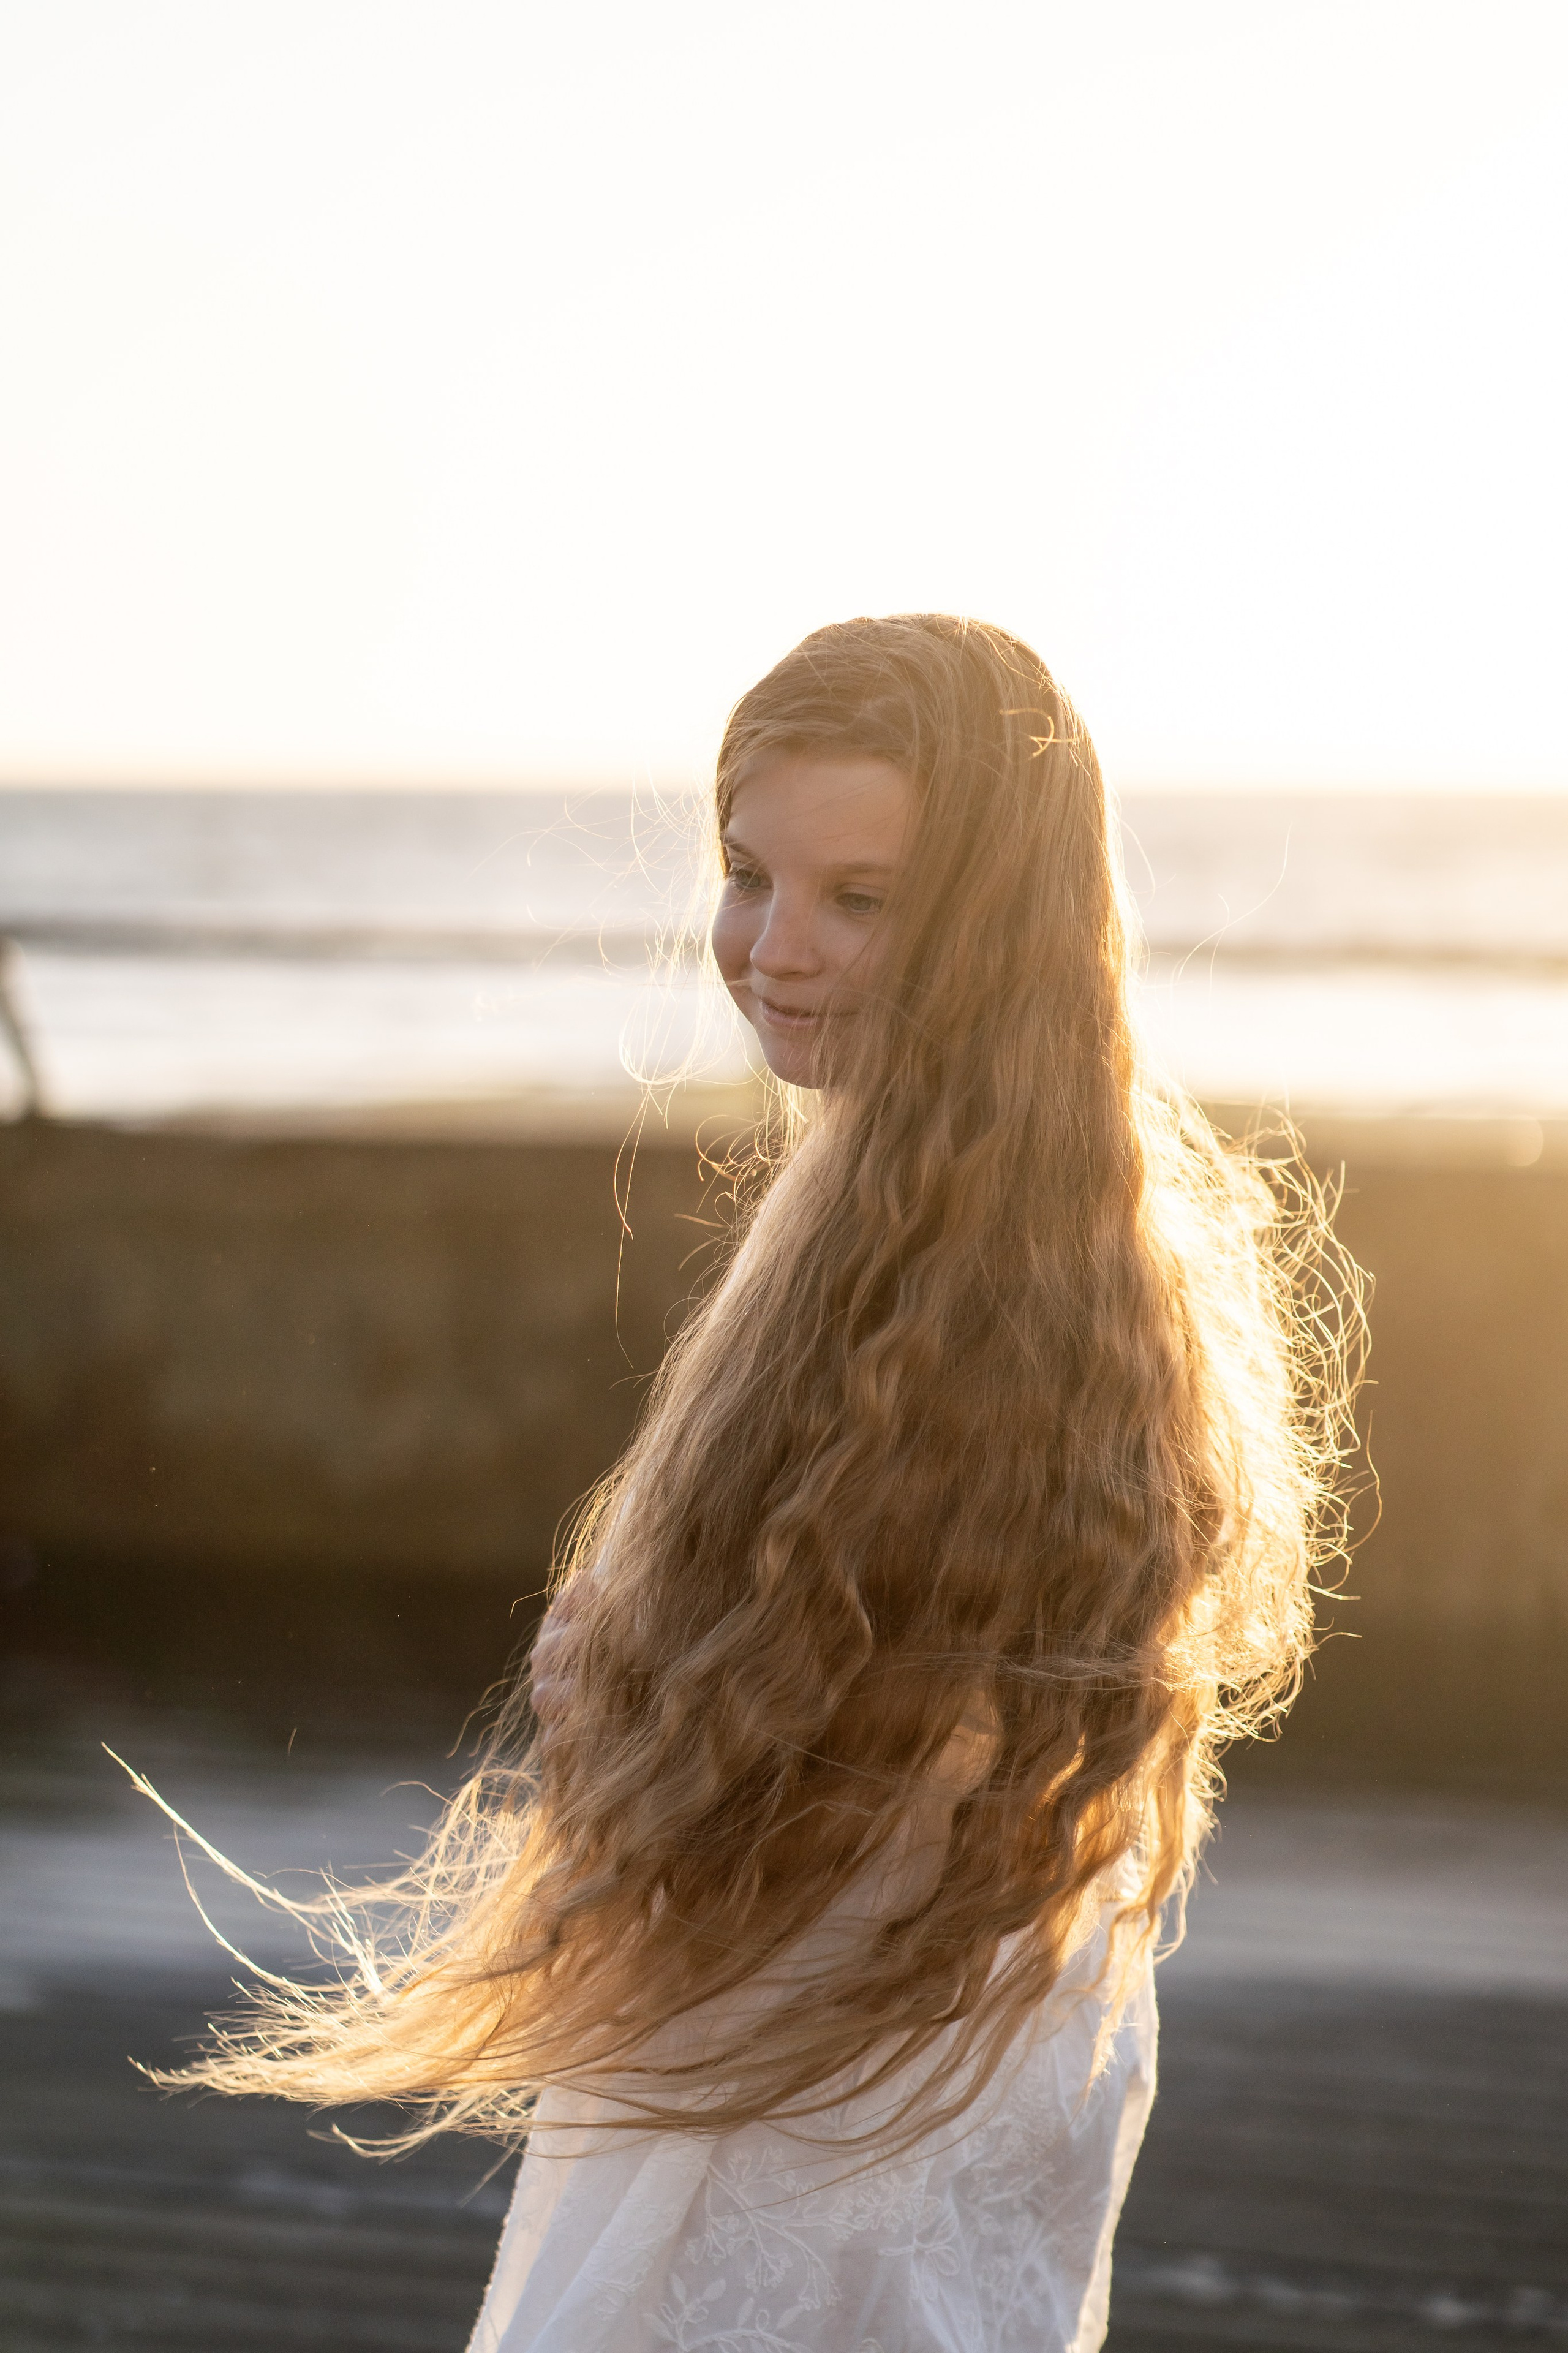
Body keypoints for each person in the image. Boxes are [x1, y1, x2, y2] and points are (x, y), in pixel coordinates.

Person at [166, 615, 1359, 2352]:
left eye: (858, 899)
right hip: (877, 2074)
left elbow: (846, 1763)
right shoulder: (952, 1206)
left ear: (989, 926)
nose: (774, 948)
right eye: (748, 874)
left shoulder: (980, 1286)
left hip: (829, 2115)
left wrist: (613, 1684)